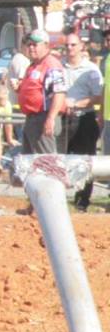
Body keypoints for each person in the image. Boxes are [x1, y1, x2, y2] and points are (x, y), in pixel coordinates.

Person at [63, 31, 103, 210]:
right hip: (63, 119)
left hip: (84, 118)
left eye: (73, 45)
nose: (69, 49)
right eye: (67, 45)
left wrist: (77, 104)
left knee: (84, 162)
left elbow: (98, 96)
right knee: (59, 159)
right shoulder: (59, 67)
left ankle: (82, 201)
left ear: (81, 47)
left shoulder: (91, 70)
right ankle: (57, 199)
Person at [18, 29, 67, 154]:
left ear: (46, 45)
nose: (31, 48)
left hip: (44, 117)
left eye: (35, 45)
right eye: (29, 45)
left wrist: (51, 118)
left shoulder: (51, 65)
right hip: (32, 118)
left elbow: (59, 93)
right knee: (30, 162)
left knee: (46, 161)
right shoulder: (33, 65)